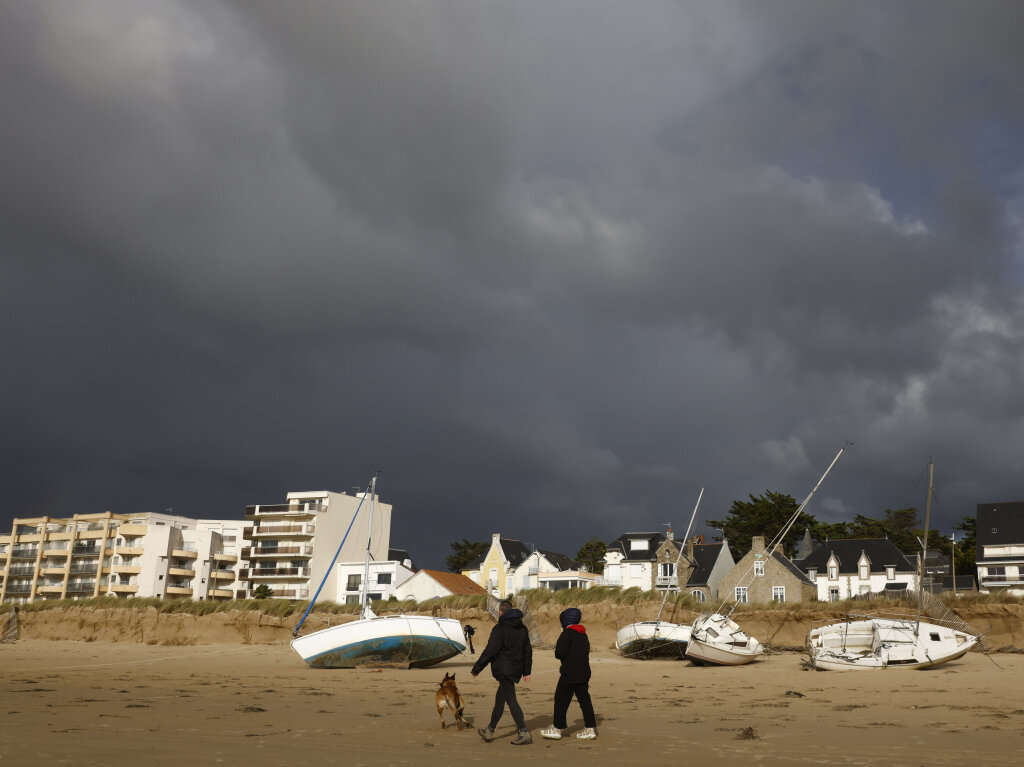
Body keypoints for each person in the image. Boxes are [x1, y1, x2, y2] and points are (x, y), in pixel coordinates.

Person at [471, 599, 533, 745]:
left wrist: (477, 669)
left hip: (504, 671)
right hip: (515, 670)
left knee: (511, 701)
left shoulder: (499, 629)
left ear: (500, 612)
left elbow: (490, 651)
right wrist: (527, 671)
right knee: (500, 700)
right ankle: (490, 730)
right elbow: (528, 651)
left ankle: (523, 732)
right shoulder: (522, 628)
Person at [541, 607, 597, 740]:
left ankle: (557, 728)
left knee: (561, 699)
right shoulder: (583, 634)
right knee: (585, 700)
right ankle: (590, 729)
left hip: (570, 674)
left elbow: (559, 653)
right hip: (583, 672)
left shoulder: (566, 634)